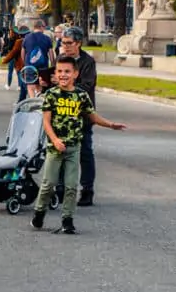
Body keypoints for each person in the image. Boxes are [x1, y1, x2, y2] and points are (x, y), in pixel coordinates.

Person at [31, 56, 126, 234]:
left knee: (71, 186)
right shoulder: (51, 94)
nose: (63, 75)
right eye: (59, 71)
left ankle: (67, 219)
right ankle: (39, 212)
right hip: (55, 148)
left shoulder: (80, 95)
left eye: (67, 71)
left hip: (73, 148)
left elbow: (92, 116)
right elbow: (46, 122)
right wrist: (55, 140)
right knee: (48, 184)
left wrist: (110, 125)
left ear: (75, 73)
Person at [57, 26, 98, 206]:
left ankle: (87, 190)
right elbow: (56, 82)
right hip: (62, 114)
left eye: (69, 43)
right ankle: (59, 189)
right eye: (63, 43)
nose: (65, 46)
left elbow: (87, 86)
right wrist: (46, 82)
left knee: (85, 153)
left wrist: (66, 83)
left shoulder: (87, 62)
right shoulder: (61, 59)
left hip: (82, 114)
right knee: (59, 151)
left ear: (78, 43)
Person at [21, 20, 54, 97]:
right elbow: (51, 55)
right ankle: (39, 101)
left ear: (34, 27)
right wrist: (52, 65)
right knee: (40, 86)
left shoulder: (27, 37)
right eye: (44, 27)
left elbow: (22, 52)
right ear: (41, 27)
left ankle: (32, 101)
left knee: (30, 86)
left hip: (30, 67)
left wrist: (25, 64)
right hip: (43, 68)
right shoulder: (47, 38)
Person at [1, 30, 28, 104]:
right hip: (30, 64)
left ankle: (22, 101)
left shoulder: (19, 41)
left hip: (21, 64)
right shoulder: (30, 40)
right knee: (26, 84)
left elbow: (13, 52)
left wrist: (4, 60)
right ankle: (22, 100)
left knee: (24, 84)